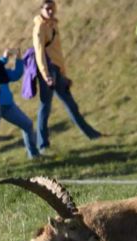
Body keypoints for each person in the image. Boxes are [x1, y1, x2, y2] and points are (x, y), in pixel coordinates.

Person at [33, 0, 101, 152]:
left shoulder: (53, 24)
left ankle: (91, 134)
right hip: (48, 70)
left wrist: (63, 74)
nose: (51, 11)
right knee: (45, 107)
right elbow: (39, 53)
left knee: (71, 104)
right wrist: (46, 75)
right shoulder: (40, 27)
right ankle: (42, 145)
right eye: (48, 9)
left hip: (56, 70)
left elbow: (58, 53)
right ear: (42, 10)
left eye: (53, 8)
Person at [0, 47, 40, 161]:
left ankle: (33, 154)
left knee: (27, 124)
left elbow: (16, 74)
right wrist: (4, 58)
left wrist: (18, 59)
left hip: (8, 105)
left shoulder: (1, 68)